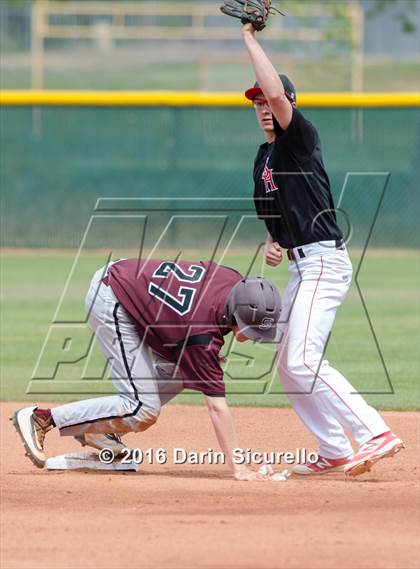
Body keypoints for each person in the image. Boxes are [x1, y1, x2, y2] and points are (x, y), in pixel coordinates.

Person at [241, 22, 404, 476]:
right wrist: (273, 244)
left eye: (269, 100)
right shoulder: (264, 158)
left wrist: (249, 39)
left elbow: (278, 96)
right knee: (289, 368)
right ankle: (334, 448)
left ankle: (376, 433)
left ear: (289, 104)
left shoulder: (300, 139)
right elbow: (274, 213)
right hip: (300, 265)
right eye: (255, 103)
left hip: (324, 262)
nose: (263, 108)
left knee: (304, 358)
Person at [12, 257, 281, 481]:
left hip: (131, 285)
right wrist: (239, 467)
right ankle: (42, 418)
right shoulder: (201, 335)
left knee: (184, 372)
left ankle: (102, 430)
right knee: (143, 409)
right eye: (251, 329)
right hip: (113, 297)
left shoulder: (233, 282)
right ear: (235, 312)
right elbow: (216, 408)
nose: (253, 337)